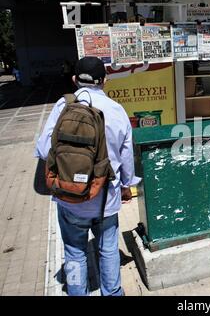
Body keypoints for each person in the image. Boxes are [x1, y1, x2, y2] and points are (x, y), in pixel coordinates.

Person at [35, 56, 141, 295]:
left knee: (74, 252)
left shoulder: (63, 106)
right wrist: (126, 186)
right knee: (109, 249)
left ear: (74, 79)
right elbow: (126, 157)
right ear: (104, 81)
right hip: (106, 198)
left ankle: (76, 291)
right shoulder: (117, 110)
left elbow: (43, 150)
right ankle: (112, 292)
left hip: (69, 198)